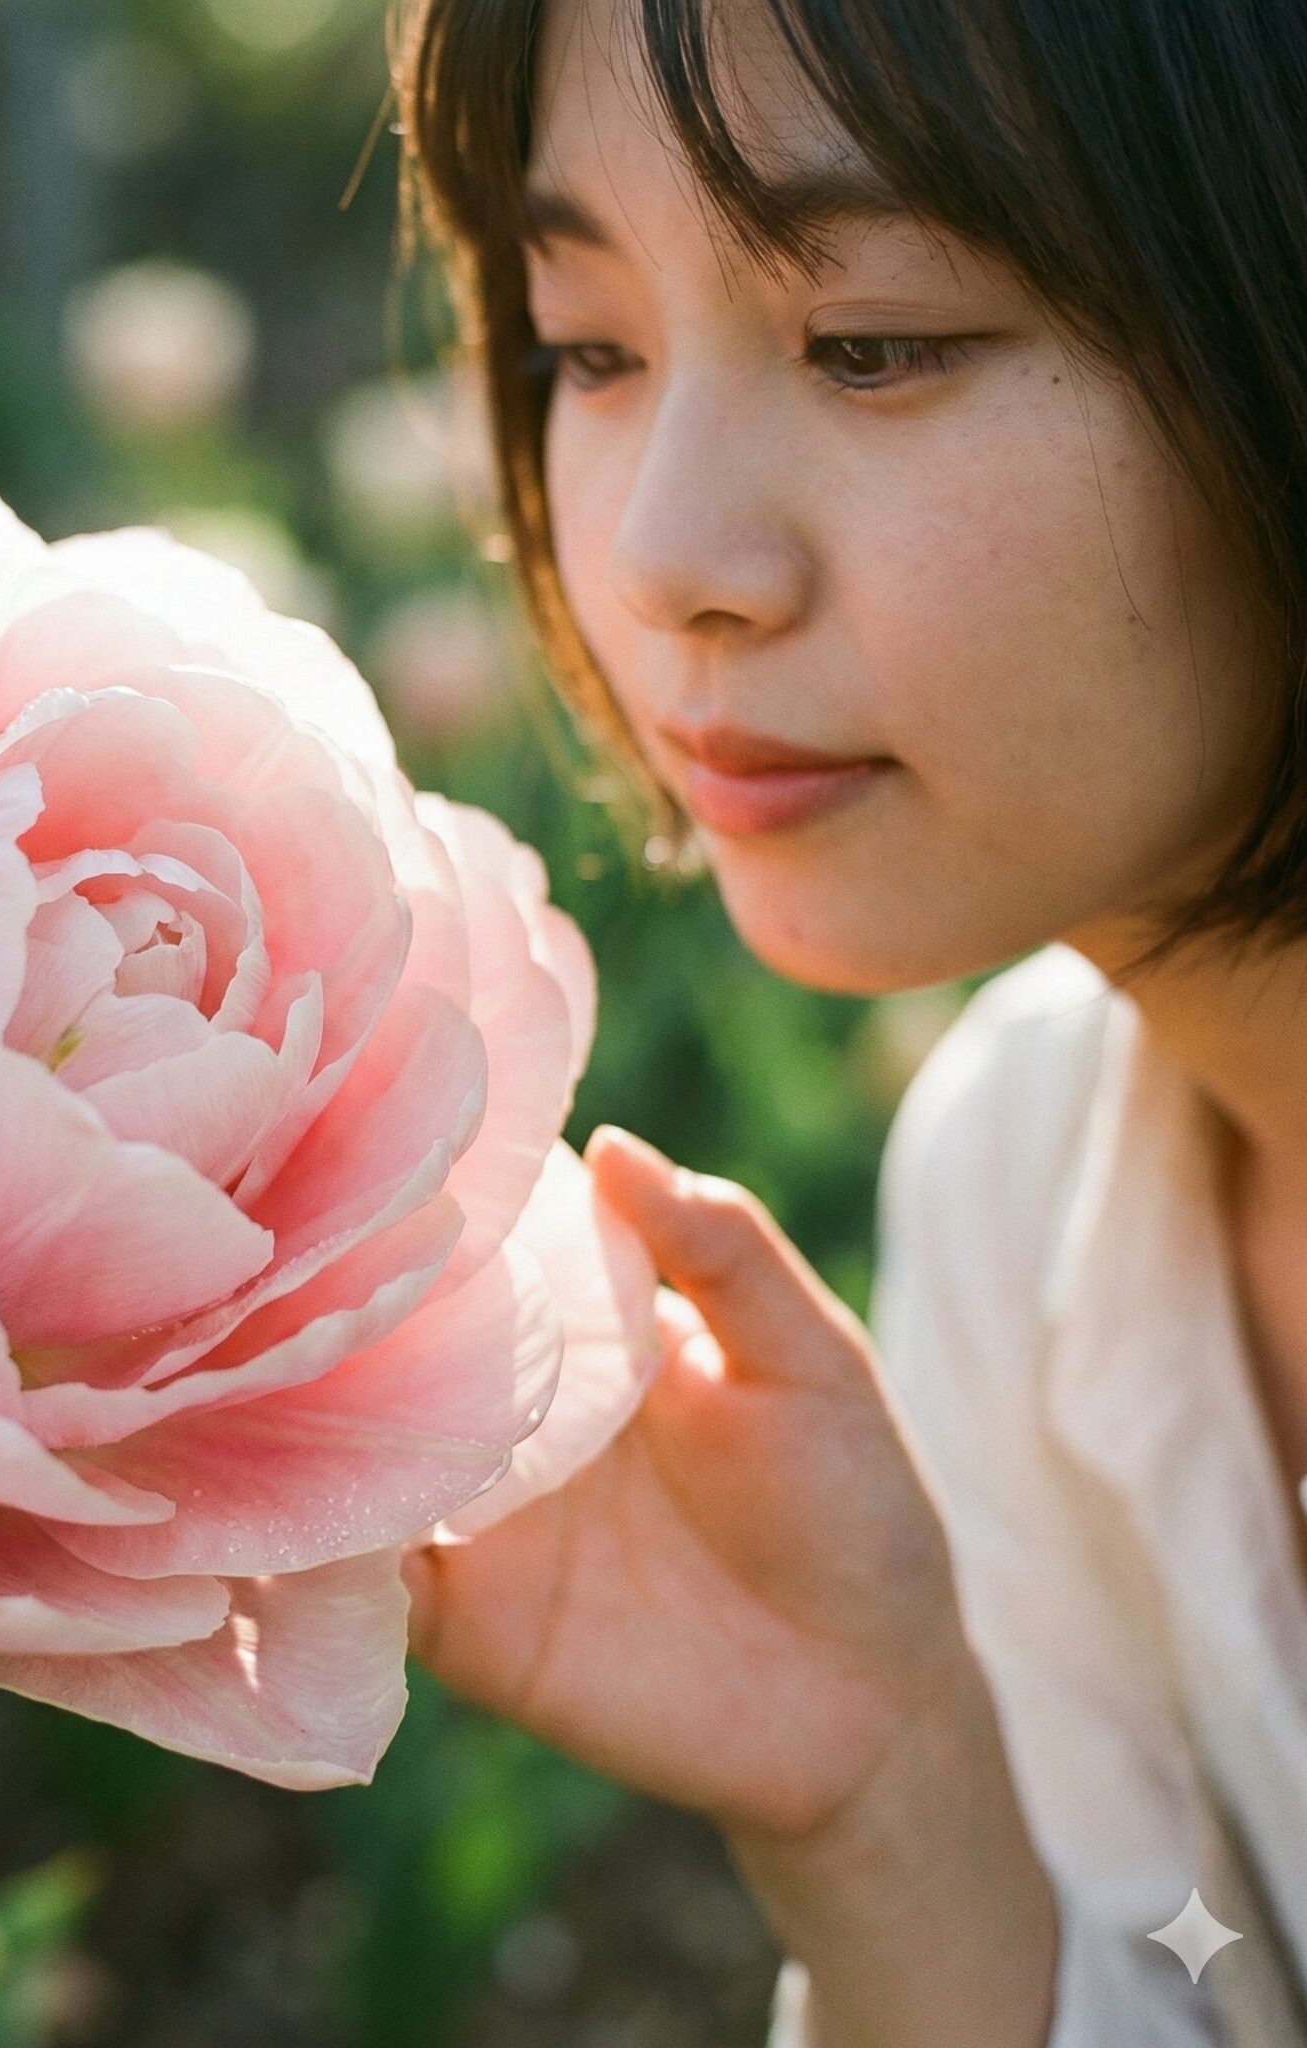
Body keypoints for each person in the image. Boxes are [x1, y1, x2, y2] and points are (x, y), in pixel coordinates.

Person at [388, 0, 1307, 2042]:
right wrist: (893, 1804)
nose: (663, 557)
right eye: (590, 349)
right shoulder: (1020, 1177)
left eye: (872, 341)